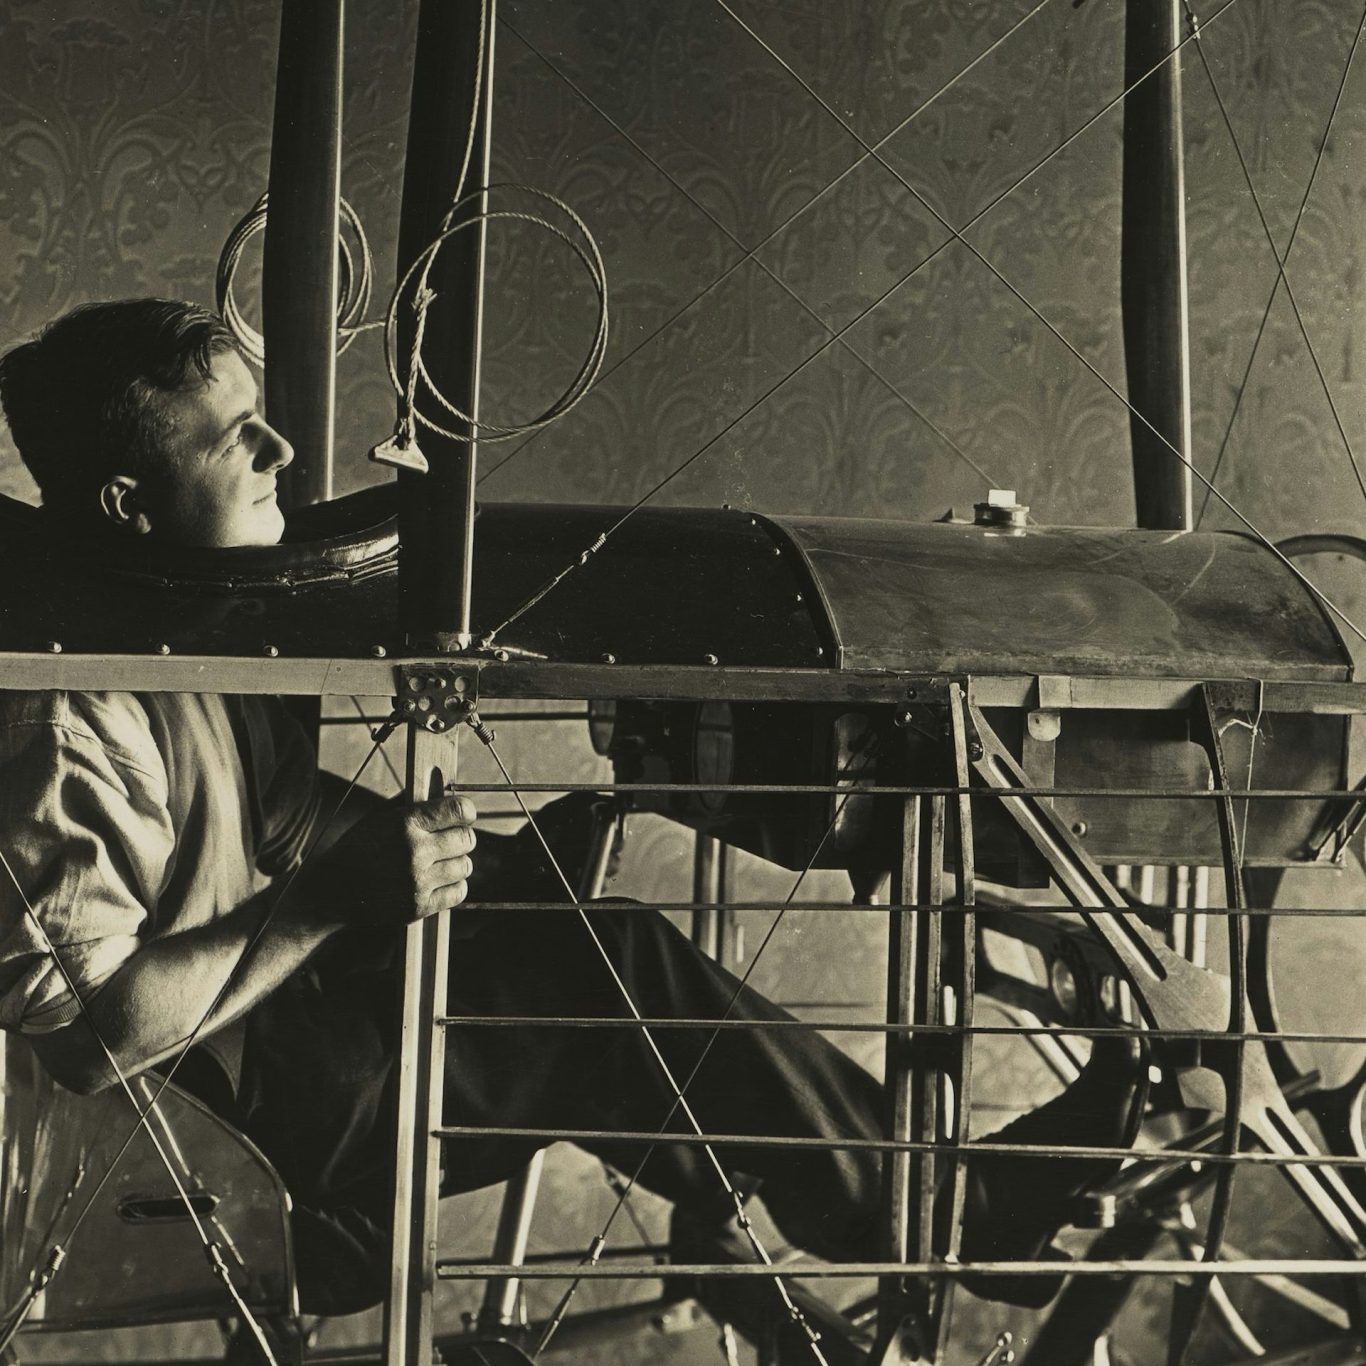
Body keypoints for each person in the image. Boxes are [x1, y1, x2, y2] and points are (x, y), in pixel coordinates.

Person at [0, 300, 1140, 1352]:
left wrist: (497, 869)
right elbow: (93, 1041)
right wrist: (335, 902)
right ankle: (955, 1212)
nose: (281, 451)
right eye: (234, 436)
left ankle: (798, 1203)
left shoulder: (183, 623)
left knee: (577, 942)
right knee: (609, 971)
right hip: (220, 1149)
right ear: (126, 504)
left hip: (281, 1043)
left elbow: (290, 818)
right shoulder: (69, 714)